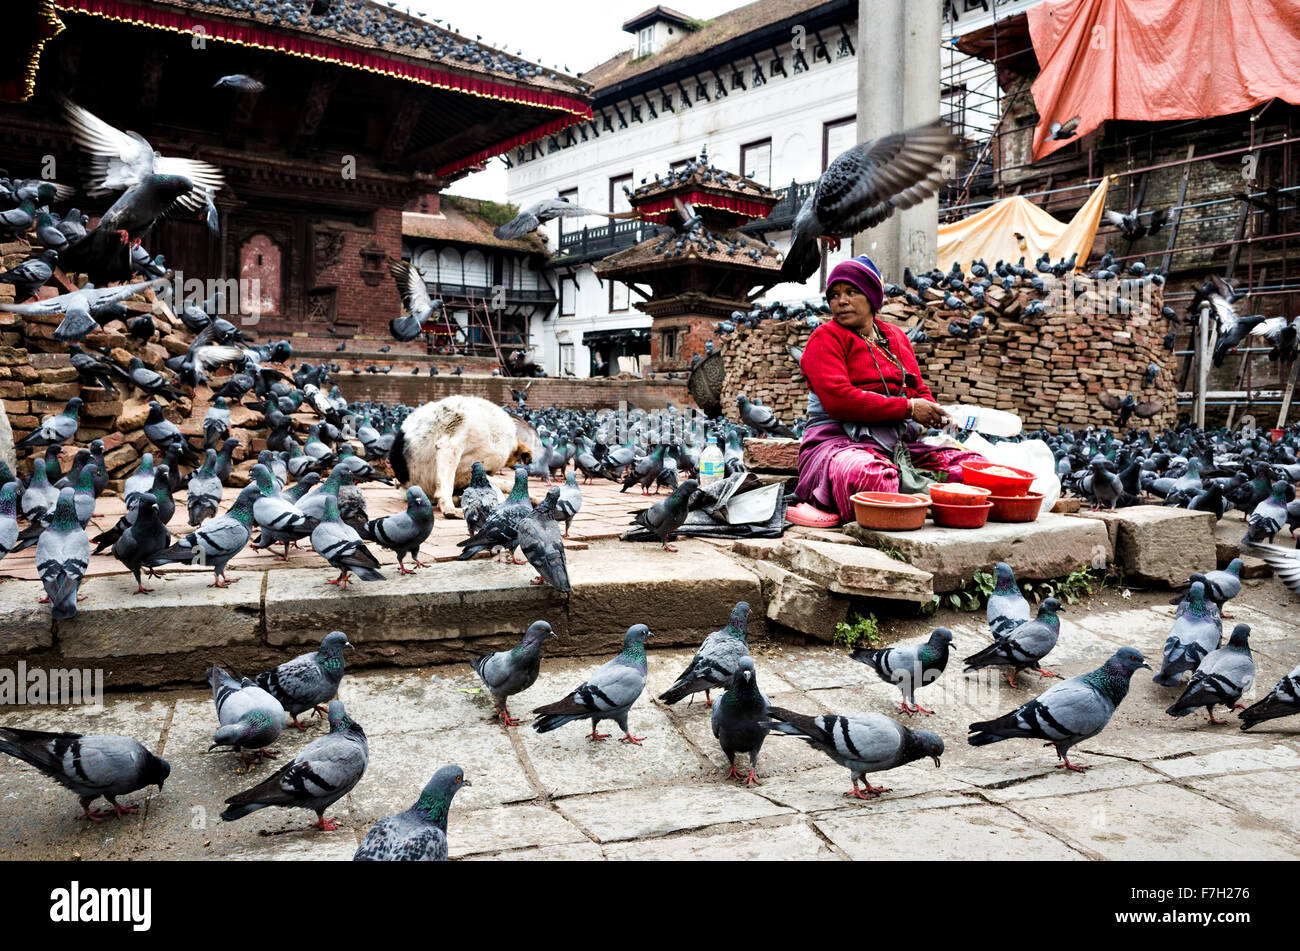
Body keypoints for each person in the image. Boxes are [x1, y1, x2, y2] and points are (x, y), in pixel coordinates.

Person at [787, 255, 987, 527]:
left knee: (973, 469)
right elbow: (839, 401)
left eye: (851, 292)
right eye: (834, 295)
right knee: (870, 476)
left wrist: (936, 413)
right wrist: (909, 409)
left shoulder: (895, 336)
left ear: (871, 297)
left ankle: (910, 501)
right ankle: (902, 502)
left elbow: (916, 387)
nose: (840, 301)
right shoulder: (825, 338)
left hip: (898, 446)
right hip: (838, 444)